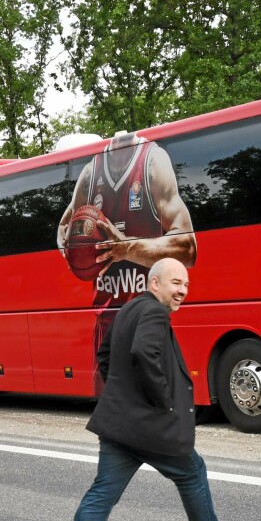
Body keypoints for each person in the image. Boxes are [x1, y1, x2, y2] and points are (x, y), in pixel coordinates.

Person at [55, 258, 251, 521]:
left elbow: (104, 354)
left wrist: (123, 391)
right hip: (149, 426)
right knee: (192, 472)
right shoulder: (155, 313)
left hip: (118, 425)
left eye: (186, 286)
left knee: (101, 495)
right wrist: (164, 401)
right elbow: (145, 353)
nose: (182, 291)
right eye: (176, 283)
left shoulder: (127, 310)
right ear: (155, 283)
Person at [56, 132, 198, 359]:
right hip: (105, 325)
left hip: (145, 320)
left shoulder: (152, 162)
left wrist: (127, 248)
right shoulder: (90, 173)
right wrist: (73, 252)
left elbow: (188, 248)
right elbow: (64, 226)